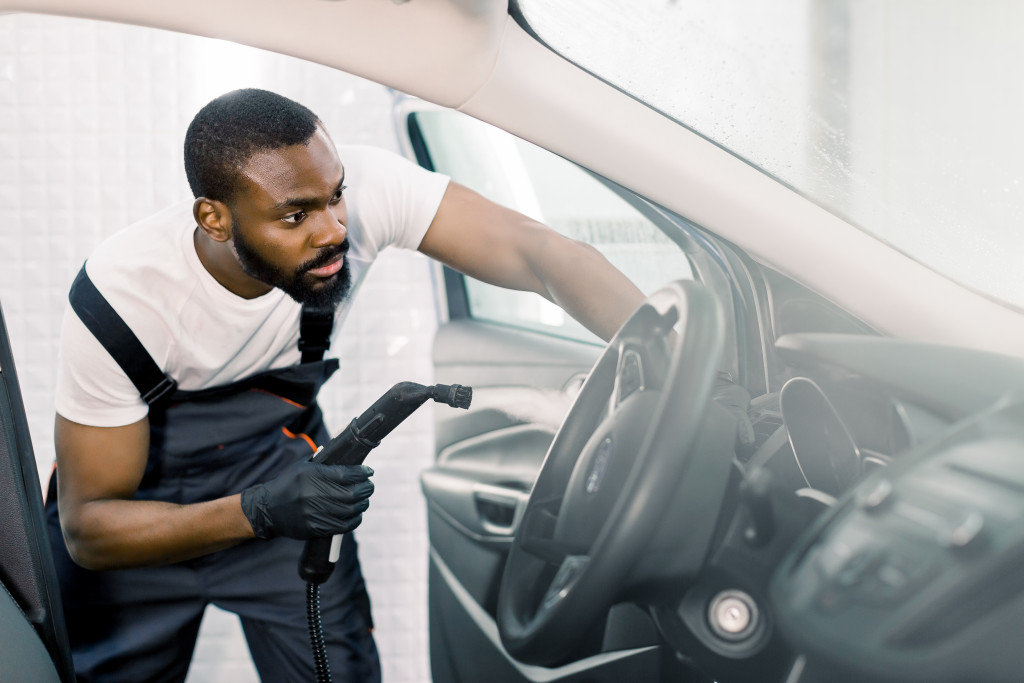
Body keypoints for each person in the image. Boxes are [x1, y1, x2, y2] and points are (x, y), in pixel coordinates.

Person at [44, 88, 651, 682]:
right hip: (137, 530)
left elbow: (538, 252)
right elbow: (88, 528)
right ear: (214, 218)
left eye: (336, 198)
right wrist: (257, 512)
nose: (334, 229)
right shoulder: (123, 297)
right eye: (295, 216)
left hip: (284, 480)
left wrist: (661, 348)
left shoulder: (356, 191)